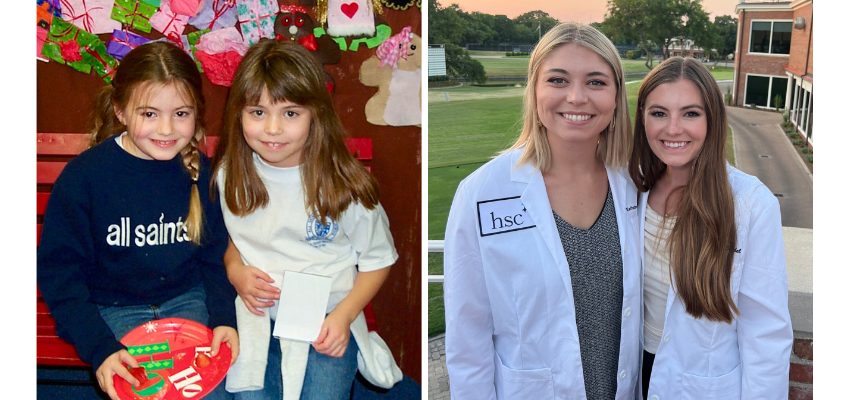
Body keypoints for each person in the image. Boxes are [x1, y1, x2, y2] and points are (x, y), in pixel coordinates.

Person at [444, 22, 642, 399]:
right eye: (558, 80)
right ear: (534, 91)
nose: (577, 97)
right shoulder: (481, 193)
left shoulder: (636, 185)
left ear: (616, 98)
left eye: (596, 82)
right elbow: (467, 338)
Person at [35, 41, 239, 400]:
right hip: (114, 308)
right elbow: (60, 275)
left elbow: (214, 257)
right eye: (148, 113)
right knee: (144, 392)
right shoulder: (85, 178)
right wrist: (99, 346)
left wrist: (224, 318)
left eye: (181, 113)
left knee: (212, 392)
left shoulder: (200, 173)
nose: (165, 129)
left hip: (186, 300)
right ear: (120, 110)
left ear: (197, 113)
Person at [211, 39, 402, 400]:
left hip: (326, 318)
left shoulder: (344, 185)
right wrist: (236, 271)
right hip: (256, 318)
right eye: (257, 112)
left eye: (290, 113)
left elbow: (378, 261)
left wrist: (344, 316)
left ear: (316, 114)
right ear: (238, 113)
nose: (272, 129)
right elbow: (238, 237)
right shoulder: (230, 174)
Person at [628, 56, 793, 399]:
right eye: (659, 113)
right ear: (642, 118)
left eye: (691, 113)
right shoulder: (632, 187)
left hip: (702, 385)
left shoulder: (751, 204)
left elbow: (765, 332)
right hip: (635, 373)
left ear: (712, 120)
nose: (673, 129)